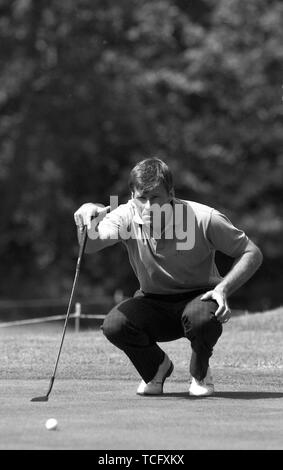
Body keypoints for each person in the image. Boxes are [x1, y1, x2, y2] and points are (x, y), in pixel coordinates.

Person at [74, 158, 263, 396]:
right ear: (132, 196)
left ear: (171, 194)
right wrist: (85, 219)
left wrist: (223, 289)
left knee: (202, 320)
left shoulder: (203, 217)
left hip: (199, 299)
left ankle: (200, 374)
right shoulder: (126, 216)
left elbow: (251, 252)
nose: (149, 206)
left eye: (155, 198)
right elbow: (90, 246)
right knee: (115, 325)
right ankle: (156, 369)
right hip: (152, 302)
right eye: (141, 198)